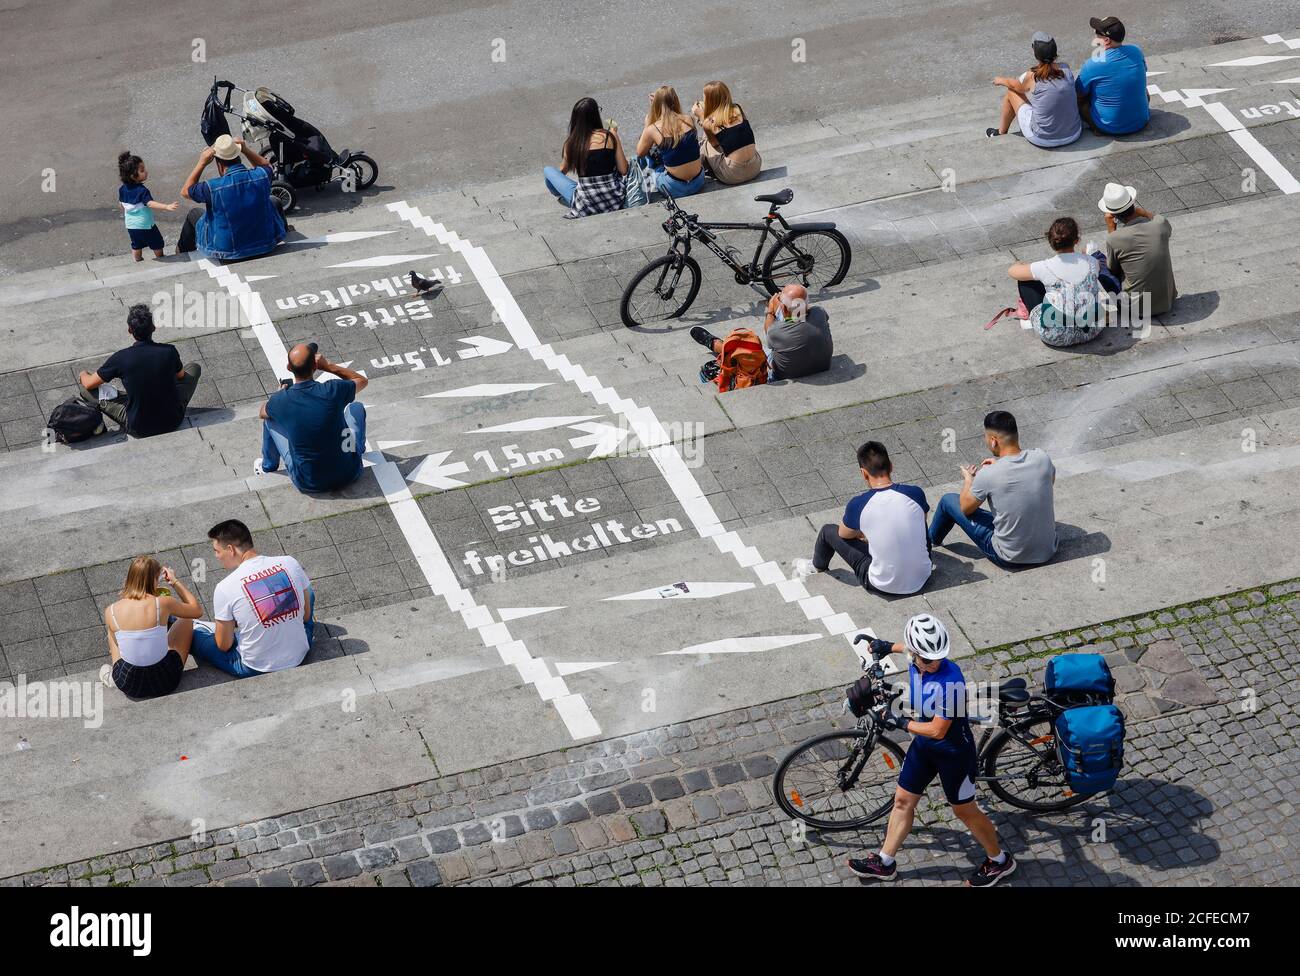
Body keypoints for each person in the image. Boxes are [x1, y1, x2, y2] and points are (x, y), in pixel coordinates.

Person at [848, 614, 1017, 887]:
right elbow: (906, 649)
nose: (933, 663)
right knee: (902, 801)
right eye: (926, 658)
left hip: (953, 751)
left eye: (937, 657)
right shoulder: (917, 659)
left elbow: (938, 730)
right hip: (925, 747)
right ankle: (885, 862)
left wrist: (899, 721)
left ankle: (1000, 861)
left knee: (965, 810)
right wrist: (886, 645)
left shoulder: (950, 681)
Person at [928, 411, 1058, 568]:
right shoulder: (1041, 457)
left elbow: (965, 509)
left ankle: (929, 542)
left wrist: (969, 480)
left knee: (948, 501)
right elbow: (1047, 483)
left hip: (1009, 556)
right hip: (1048, 550)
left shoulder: (988, 474)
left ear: (993, 441)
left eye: (985, 438)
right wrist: (1000, 467)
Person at [803, 441, 932, 595]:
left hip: (882, 585)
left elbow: (844, 535)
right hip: (923, 577)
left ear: (864, 473)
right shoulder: (915, 493)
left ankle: (817, 566)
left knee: (827, 531)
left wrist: (866, 533)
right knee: (918, 518)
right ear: (891, 466)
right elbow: (921, 519)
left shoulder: (859, 504)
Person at [189, 520, 314, 678]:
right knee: (306, 590)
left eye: (217, 551)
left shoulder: (224, 587)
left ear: (230, 549)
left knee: (192, 635)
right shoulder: (289, 562)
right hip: (300, 651)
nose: (216, 556)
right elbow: (306, 616)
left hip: (257, 666)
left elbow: (224, 645)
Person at [258, 342, 369, 493]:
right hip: (350, 472)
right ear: (315, 366)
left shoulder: (281, 400)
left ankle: (268, 466)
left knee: (269, 420)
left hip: (309, 481)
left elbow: (262, 412)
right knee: (356, 408)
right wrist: (329, 366)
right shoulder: (332, 389)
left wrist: (278, 396)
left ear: (289, 368)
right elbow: (362, 381)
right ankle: (358, 449)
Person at [78, 304, 203, 437]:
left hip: (139, 427)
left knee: (84, 389)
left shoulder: (120, 358)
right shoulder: (169, 351)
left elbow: (89, 384)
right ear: (153, 328)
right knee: (194, 367)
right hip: (173, 420)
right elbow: (181, 375)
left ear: (130, 330)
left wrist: (83, 374)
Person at [104, 556, 204, 699]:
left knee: (112, 630)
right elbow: (196, 611)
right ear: (153, 580)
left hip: (128, 684)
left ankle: (114, 673)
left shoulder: (111, 610)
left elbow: (119, 644)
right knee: (186, 619)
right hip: (165, 681)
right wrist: (174, 582)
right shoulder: (162, 603)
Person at [689, 284, 832, 381]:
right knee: (796, 316)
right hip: (822, 365)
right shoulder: (819, 312)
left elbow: (770, 335)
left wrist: (771, 310)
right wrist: (785, 307)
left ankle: (716, 344)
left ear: (783, 308)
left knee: (748, 350)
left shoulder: (776, 331)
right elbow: (798, 315)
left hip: (782, 374)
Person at [178, 134, 286, 260]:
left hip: (228, 252)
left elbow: (185, 191)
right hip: (266, 245)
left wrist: (201, 163)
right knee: (274, 200)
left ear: (220, 165)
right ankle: (284, 235)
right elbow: (267, 166)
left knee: (194, 214)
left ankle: (181, 254)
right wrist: (245, 149)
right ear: (238, 157)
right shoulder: (261, 176)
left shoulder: (212, 187)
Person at [1005, 217, 1104, 347]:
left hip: (1056, 336)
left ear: (1051, 242)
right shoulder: (1092, 262)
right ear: (1077, 240)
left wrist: (1019, 263)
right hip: (1092, 330)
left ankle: (1029, 316)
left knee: (1026, 281)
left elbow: (1012, 271)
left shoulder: (1045, 266)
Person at [986, 32, 1082, 148]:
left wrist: (1000, 80)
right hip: (1073, 134)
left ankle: (1000, 133)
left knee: (1011, 93)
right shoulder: (1066, 68)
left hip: (1042, 138)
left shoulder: (1032, 76)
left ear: (1034, 52)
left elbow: (1016, 86)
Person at [1099, 182, 1177, 317]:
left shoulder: (1114, 238)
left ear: (1113, 215)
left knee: (1098, 261)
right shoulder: (1160, 224)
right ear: (1133, 204)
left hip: (1136, 309)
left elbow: (1113, 269)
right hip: (1167, 301)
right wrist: (1145, 213)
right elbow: (1158, 219)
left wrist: (1111, 229)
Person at [544, 97, 630, 218]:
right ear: (595, 115)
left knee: (547, 171)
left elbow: (562, 170)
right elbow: (624, 169)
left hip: (586, 204)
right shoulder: (610, 136)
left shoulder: (572, 143)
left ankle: (562, 199)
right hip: (614, 199)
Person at [1075, 16, 1149, 136]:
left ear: (1107, 40)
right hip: (1141, 122)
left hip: (1110, 127)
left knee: (1081, 101)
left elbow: (1079, 92)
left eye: (1096, 33)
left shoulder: (1093, 64)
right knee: (1142, 89)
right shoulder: (1136, 51)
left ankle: (1097, 128)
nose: (1094, 36)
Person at [634, 86, 706, 199]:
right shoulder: (688, 119)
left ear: (656, 105)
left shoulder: (653, 129)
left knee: (647, 156)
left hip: (673, 187)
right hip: (698, 181)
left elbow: (640, 153)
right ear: (675, 100)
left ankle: (644, 183)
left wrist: (647, 124)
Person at [691, 81, 762, 185]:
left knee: (706, 143)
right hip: (755, 167)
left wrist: (702, 117)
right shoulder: (737, 109)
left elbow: (715, 145)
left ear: (709, 100)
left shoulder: (709, 122)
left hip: (733, 175)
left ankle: (696, 171)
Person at [117, 151, 178, 261]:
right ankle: (160, 257)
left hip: (131, 225)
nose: (146, 171)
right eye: (142, 170)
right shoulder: (142, 191)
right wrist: (166, 206)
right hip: (145, 225)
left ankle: (138, 259)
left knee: (136, 244)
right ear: (133, 176)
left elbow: (121, 204)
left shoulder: (122, 189)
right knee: (157, 242)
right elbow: (150, 203)